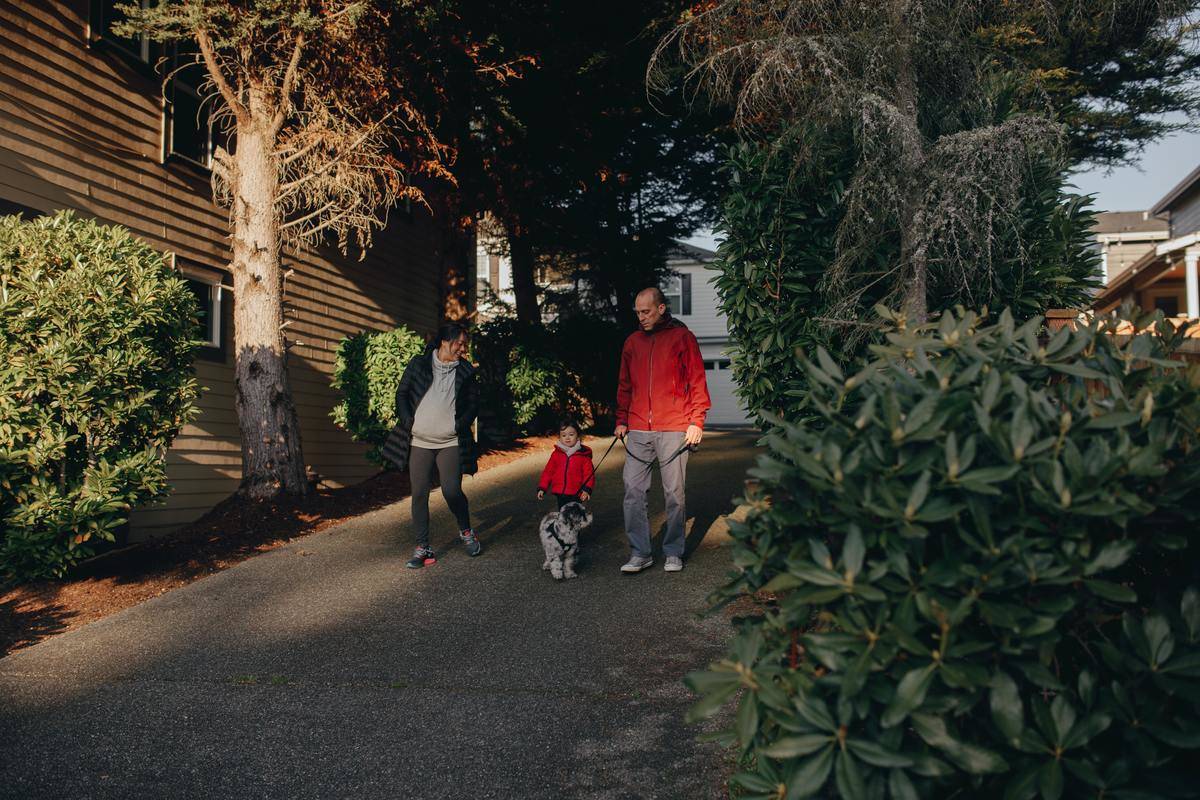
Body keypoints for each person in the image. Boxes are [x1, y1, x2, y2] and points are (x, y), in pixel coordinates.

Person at [614, 287, 711, 574]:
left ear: (661, 309)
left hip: (674, 427)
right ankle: (640, 553)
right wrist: (621, 418)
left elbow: (697, 380)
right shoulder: (632, 342)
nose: (641, 317)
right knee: (632, 489)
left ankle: (673, 551)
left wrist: (697, 421)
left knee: (674, 493)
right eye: (637, 312)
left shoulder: (683, 338)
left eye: (646, 312)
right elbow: (624, 384)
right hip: (638, 428)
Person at [382, 321, 482, 568]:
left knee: (451, 491)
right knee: (418, 494)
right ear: (444, 342)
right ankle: (423, 547)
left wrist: (460, 424)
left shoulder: (465, 371)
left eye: (465, 345)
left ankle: (466, 530)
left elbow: (473, 403)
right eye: (460, 344)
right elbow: (401, 393)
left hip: (449, 441)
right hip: (420, 441)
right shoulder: (419, 364)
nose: (463, 349)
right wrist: (407, 419)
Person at [537, 418, 595, 509]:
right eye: (563, 435)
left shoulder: (583, 455)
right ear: (559, 437)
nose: (567, 438)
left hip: (577, 493)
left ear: (578, 436)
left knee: (576, 516)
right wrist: (542, 488)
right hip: (561, 493)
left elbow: (589, 475)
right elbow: (548, 472)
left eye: (571, 434)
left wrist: (586, 489)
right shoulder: (556, 454)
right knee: (563, 516)